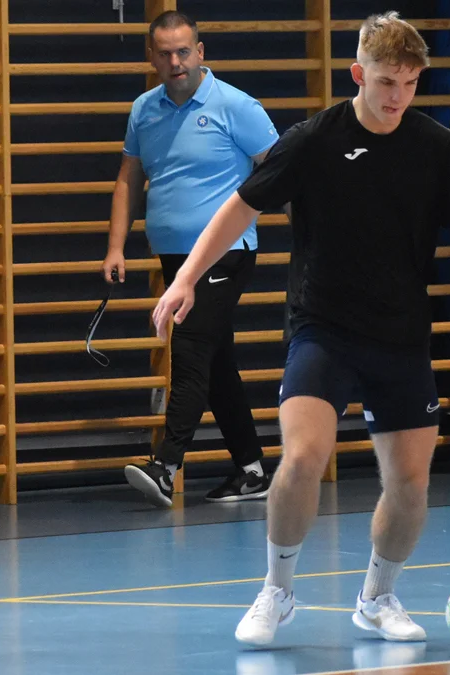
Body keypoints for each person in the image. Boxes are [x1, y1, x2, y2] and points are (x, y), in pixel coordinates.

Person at [151, 11, 450, 646]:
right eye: (384, 82)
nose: (396, 96)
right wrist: (184, 279)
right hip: (323, 329)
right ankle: (277, 591)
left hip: (399, 336)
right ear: (357, 75)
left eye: (407, 83)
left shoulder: (433, 147)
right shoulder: (314, 140)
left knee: (410, 484)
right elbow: (239, 207)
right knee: (302, 458)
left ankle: (378, 598)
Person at [103, 11, 280, 507]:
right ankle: (252, 469)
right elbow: (128, 179)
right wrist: (116, 246)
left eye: (183, 51)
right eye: (164, 53)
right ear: (152, 57)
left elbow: (281, 168)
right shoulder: (145, 110)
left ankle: (167, 464)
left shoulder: (235, 106)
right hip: (173, 257)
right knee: (216, 361)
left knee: (192, 350)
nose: (175, 62)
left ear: (200, 52)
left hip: (225, 253)